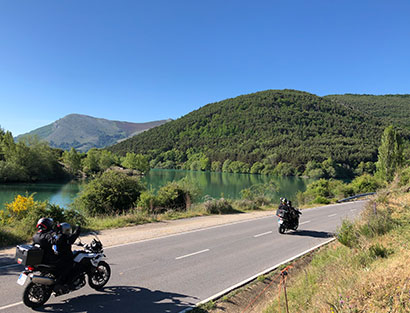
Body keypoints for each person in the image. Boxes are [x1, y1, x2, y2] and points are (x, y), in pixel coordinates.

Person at [53, 223, 81, 289]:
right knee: (74, 267)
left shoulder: (55, 235)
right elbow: (73, 238)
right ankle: (67, 284)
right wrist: (78, 230)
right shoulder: (64, 237)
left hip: (56, 255)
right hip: (64, 256)